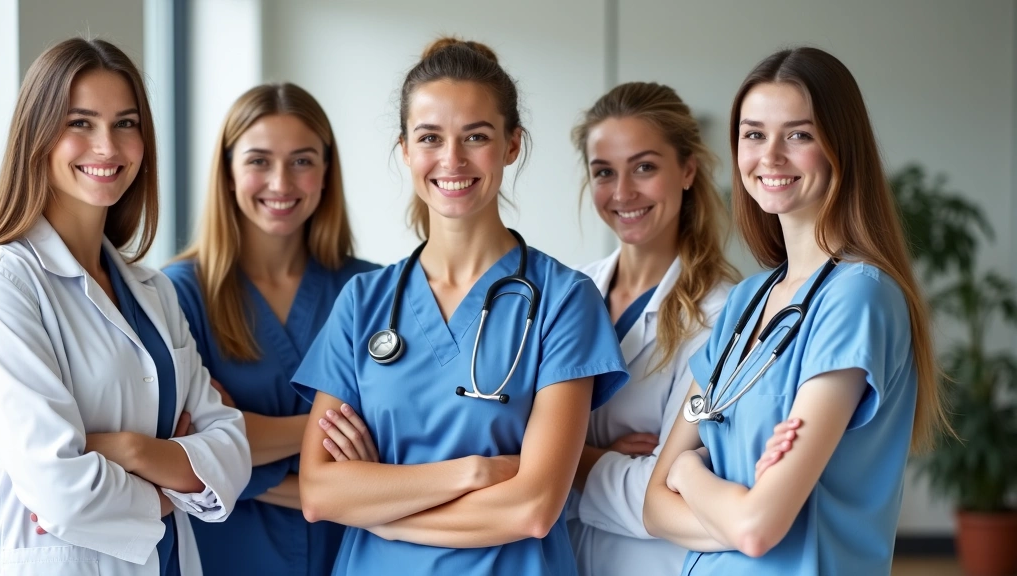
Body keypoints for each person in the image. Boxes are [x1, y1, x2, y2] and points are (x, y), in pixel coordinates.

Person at [290, 37, 629, 576]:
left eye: (476, 136)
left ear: (512, 144)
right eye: (430, 137)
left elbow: (534, 508)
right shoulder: (363, 302)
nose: (452, 160)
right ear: (405, 149)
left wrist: (377, 507)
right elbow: (320, 492)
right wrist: (471, 473)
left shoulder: (563, 300)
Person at [0, 38, 250, 576]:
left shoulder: (153, 290)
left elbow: (231, 450)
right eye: (80, 123)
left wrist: (130, 451)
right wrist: (173, 494)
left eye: (126, 124)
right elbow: (61, 492)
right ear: (37, 137)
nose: (108, 146)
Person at [643, 47, 947, 575]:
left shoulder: (858, 296)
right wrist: (736, 512)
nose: (771, 156)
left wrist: (690, 474)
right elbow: (653, 508)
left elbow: (758, 530)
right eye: (754, 134)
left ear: (840, 148)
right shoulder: (748, 300)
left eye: (799, 135)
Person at [163, 82, 378, 576]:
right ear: (228, 172)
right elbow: (187, 450)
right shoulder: (178, 294)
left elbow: (400, 440)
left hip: (349, 555)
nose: (281, 182)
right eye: (259, 160)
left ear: (326, 173)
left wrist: (237, 454)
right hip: (227, 555)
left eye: (302, 161)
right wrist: (337, 432)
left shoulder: (371, 290)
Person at [566, 82, 739, 576]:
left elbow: (672, 495)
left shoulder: (723, 314)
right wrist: (599, 462)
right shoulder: (569, 293)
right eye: (604, 172)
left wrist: (566, 461)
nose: (622, 193)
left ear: (687, 169)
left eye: (644, 167)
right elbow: (506, 442)